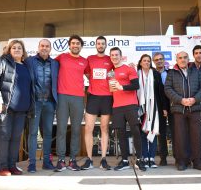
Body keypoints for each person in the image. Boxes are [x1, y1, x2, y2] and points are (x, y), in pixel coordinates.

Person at [0, 40, 33, 176]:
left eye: (19, 48)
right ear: (9, 50)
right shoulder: (3, 62)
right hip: (6, 107)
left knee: (16, 138)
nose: (17, 49)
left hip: (22, 109)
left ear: (23, 51)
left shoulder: (26, 66)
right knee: (4, 136)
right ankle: (3, 167)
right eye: (14, 48)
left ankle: (12, 165)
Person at [164, 51, 201, 171]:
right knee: (180, 136)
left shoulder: (196, 71)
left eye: (185, 57)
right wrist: (180, 100)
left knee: (196, 136)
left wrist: (195, 99)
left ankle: (197, 161)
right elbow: (167, 89)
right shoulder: (172, 73)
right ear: (176, 60)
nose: (182, 60)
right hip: (179, 109)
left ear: (188, 59)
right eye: (180, 58)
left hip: (194, 108)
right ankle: (182, 161)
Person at [109, 47, 146, 172]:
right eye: (112, 55)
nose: (114, 57)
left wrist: (122, 87)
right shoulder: (110, 72)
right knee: (121, 134)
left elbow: (136, 85)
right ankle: (124, 161)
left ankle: (140, 160)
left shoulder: (129, 68)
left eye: (116, 55)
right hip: (117, 107)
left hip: (131, 105)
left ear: (121, 56)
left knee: (136, 131)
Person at [54, 35, 88, 172]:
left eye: (78, 43)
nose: (75, 45)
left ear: (81, 46)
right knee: (61, 129)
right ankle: (61, 160)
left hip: (78, 98)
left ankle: (73, 160)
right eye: (73, 43)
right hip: (62, 96)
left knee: (76, 130)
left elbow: (94, 75)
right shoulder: (61, 57)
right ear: (69, 45)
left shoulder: (85, 61)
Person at [81, 36, 113, 170]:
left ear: (106, 45)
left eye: (102, 44)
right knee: (88, 128)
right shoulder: (90, 59)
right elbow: (87, 73)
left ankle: (103, 159)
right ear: (96, 45)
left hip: (107, 97)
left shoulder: (110, 59)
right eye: (98, 43)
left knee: (104, 128)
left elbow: (116, 72)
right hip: (93, 96)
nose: (100, 45)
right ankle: (89, 159)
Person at [26, 39, 59, 173]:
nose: (44, 48)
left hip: (50, 103)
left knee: (48, 133)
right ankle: (32, 164)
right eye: (42, 46)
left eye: (47, 46)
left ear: (50, 49)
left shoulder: (56, 63)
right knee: (33, 133)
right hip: (35, 102)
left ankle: (46, 162)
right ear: (38, 47)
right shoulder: (29, 61)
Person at [137, 54, 168, 168]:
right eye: (144, 61)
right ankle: (144, 156)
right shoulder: (136, 74)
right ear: (140, 62)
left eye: (148, 61)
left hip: (155, 108)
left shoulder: (155, 74)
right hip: (141, 109)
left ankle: (151, 158)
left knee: (153, 131)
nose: (146, 63)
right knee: (143, 132)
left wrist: (164, 108)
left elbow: (161, 92)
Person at [152, 52, 173, 166]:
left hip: (173, 105)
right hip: (159, 107)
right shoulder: (152, 74)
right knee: (162, 133)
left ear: (164, 60)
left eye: (161, 59)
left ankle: (179, 157)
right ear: (154, 62)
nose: (159, 61)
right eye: (156, 60)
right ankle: (163, 158)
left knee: (176, 132)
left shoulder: (171, 73)